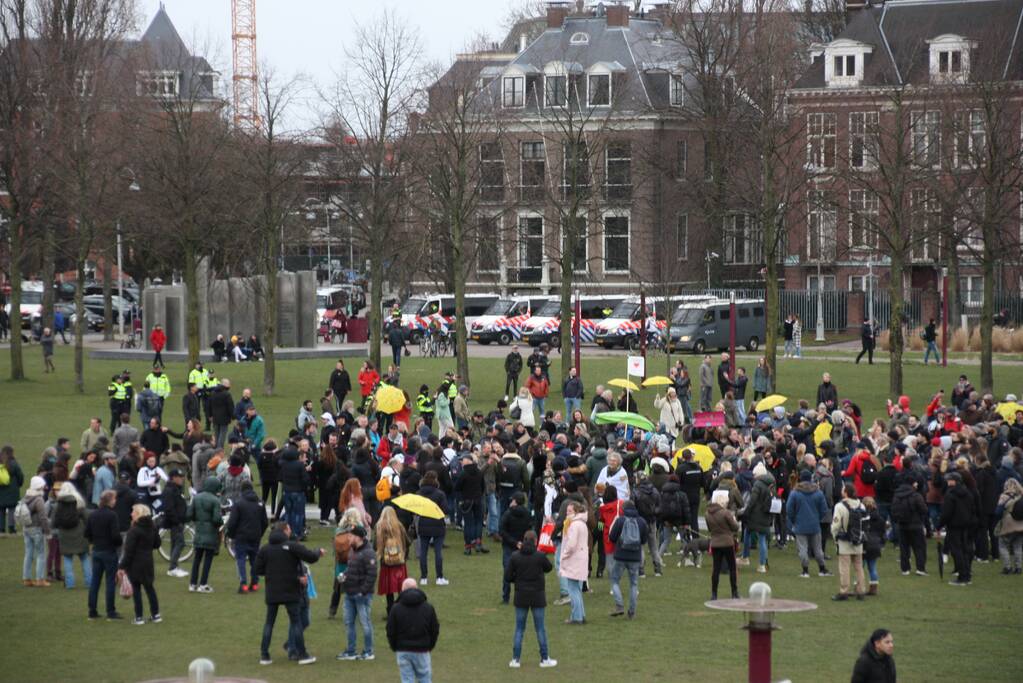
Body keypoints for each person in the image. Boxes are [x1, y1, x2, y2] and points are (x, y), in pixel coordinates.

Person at [254, 521, 323, 665]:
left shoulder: (265, 549)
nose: (291, 531)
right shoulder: (292, 546)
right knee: (296, 622)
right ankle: (302, 655)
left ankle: (264, 655)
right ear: (285, 530)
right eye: (289, 528)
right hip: (291, 589)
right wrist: (318, 551)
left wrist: (272, 573)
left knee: (269, 623)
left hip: (272, 590)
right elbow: (310, 557)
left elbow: (257, 570)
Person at [505, 529, 556, 668]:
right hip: (537, 596)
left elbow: (508, 577)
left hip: (521, 595)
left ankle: (515, 659)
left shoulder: (515, 556)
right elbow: (549, 568)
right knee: (540, 628)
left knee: (519, 629)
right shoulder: (539, 556)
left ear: (523, 540)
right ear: (535, 541)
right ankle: (544, 658)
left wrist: (518, 579)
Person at [387, 577, 440, 682]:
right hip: (422, 650)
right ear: (416, 588)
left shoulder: (396, 608)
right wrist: (429, 645)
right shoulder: (428, 607)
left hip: (403, 650)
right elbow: (434, 629)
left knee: (407, 680)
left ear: (402, 590)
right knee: (425, 678)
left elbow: (390, 630)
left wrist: (395, 646)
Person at [337, 526, 378, 662]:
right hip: (349, 593)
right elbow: (350, 569)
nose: (348, 538)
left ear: (358, 537)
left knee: (365, 623)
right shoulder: (352, 551)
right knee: (349, 622)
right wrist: (344, 575)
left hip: (362, 595)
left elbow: (372, 575)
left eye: (351, 536)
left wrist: (363, 591)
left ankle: (368, 651)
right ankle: (351, 651)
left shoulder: (368, 553)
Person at [118, 504, 162, 625]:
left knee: (136, 589)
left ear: (138, 514)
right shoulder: (152, 527)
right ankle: (156, 615)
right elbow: (157, 544)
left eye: (133, 512)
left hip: (135, 564)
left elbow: (129, 551)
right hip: (148, 562)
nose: (131, 514)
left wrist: (121, 566)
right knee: (150, 588)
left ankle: (139, 617)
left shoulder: (134, 530)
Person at [85, 489, 123, 619]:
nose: (115, 501)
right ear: (110, 500)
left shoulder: (93, 514)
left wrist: (95, 541)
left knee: (95, 581)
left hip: (96, 551)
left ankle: (92, 610)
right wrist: (119, 543)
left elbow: (87, 533)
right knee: (110, 582)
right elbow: (115, 536)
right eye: (114, 499)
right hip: (109, 551)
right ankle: (110, 611)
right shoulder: (112, 515)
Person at [787, 469, 832, 578]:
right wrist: (817, 518)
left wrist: (794, 520)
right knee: (818, 549)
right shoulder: (818, 493)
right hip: (814, 525)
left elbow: (789, 509)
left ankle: (805, 570)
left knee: (802, 549)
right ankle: (822, 568)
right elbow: (824, 510)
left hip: (800, 525)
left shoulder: (795, 493)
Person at [608, 500, 648, 619]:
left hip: (620, 555)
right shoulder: (642, 521)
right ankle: (632, 612)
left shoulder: (620, 520)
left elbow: (612, 537)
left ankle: (619, 605)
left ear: (623, 509)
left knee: (614, 580)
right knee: (633, 584)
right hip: (635, 557)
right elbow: (644, 540)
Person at [227, 481, 269, 593]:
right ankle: (254, 583)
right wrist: (260, 533)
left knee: (240, 559)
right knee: (254, 560)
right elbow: (265, 522)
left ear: (242, 490)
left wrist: (231, 535)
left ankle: (243, 584)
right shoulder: (260, 503)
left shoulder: (239, 504)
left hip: (241, 536)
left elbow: (232, 523)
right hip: (255, 536)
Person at [831, 483, 867, 601]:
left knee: (844, 568)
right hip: (858, 540)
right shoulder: (861, 506)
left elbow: (836, 525)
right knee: (859, 567)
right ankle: (861, 591)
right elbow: (865, 523)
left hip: (844, 540)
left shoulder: (839, 506)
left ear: (846, 492)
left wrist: (834, 535)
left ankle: (844, 591)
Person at [940, 471, 976, 586]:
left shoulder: (950, 494)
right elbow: (972, 509)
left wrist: (939, 525)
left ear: (954, 481)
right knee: (964, 551)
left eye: (949, 479)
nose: (947, 481)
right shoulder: (968, 493)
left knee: (957, 552)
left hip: (954, 526)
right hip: (965, 525)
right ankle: (967, 575)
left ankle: (962, 577)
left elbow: (946, 513)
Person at [188, 476, 224, 593]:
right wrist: (221, 522)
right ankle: (203, 584)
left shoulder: (196, 498)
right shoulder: (215, 500)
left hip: (199, 532)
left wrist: (198, 520)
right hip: (211, 534)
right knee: (207, 560)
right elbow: (216, 519)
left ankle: (192, 584)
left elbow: (189, 515)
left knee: (197, 559)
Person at [557, 500, 588, 625]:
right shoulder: (581, 523)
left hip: (574, 559)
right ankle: (581, 615)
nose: (567, 513)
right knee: (576, 589)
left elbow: (571, 544)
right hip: (580, 559)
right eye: (567, 511)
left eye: (570, 511)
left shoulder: (574, 525)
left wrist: (564, 555)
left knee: (573, 589)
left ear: (576, 512)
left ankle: (577, 617)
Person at [376, 506, 411, 615]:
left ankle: (390, 610)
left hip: (386, 563)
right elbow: (408, 542)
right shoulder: (399, 526)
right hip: (399, 562)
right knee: (401, 587)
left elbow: (374, 546)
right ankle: (402, 608)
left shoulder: (379, 527)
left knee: (389, 589)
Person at [706, 489, 740, 600]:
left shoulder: (707, 514)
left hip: (715, 543)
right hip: (727, 543)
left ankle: (714, 594)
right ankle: (734, 593)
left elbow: (710, 529)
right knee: (732, 568)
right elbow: (735, 527)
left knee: (716, 569)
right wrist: (734, 520)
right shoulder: (726, 513)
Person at [416, 470, 449, 585]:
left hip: (423, 523)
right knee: (438, 552)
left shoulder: (419, 493)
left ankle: (423, 577)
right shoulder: (440, 494)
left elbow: (416, 510)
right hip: (437, 523)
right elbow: (445, 510)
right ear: (436, 480)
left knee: (423, 552)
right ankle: (439, 577)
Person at [20, 475, 51, 587]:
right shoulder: (39, 499)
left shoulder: (26, 497)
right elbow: (43, 517)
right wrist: (47, 531)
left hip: (26, 528)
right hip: (36, 528)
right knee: (41, 554)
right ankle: (40, 579)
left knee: (28, 553)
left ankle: (26, 578)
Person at [160, 469, 189, 578]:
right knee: (180, 543)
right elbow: (169, 509)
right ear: (173, 478)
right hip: (175, 522)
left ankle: (174, 567)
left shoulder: (176, 489)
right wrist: (177, 521)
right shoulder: (169, 490)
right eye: (179, 477)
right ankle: (173, 567)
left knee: (175, 543)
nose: (181, 479)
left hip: (178, 521)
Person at [995, 478, 1023, 574]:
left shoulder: (1004, 496)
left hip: (1008, 525)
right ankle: (1018, 568)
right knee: (1018, 547)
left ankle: (1007, 567)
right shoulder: (1021, 496)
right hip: (1020, 525)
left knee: (1003, 546)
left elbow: (997, 512)